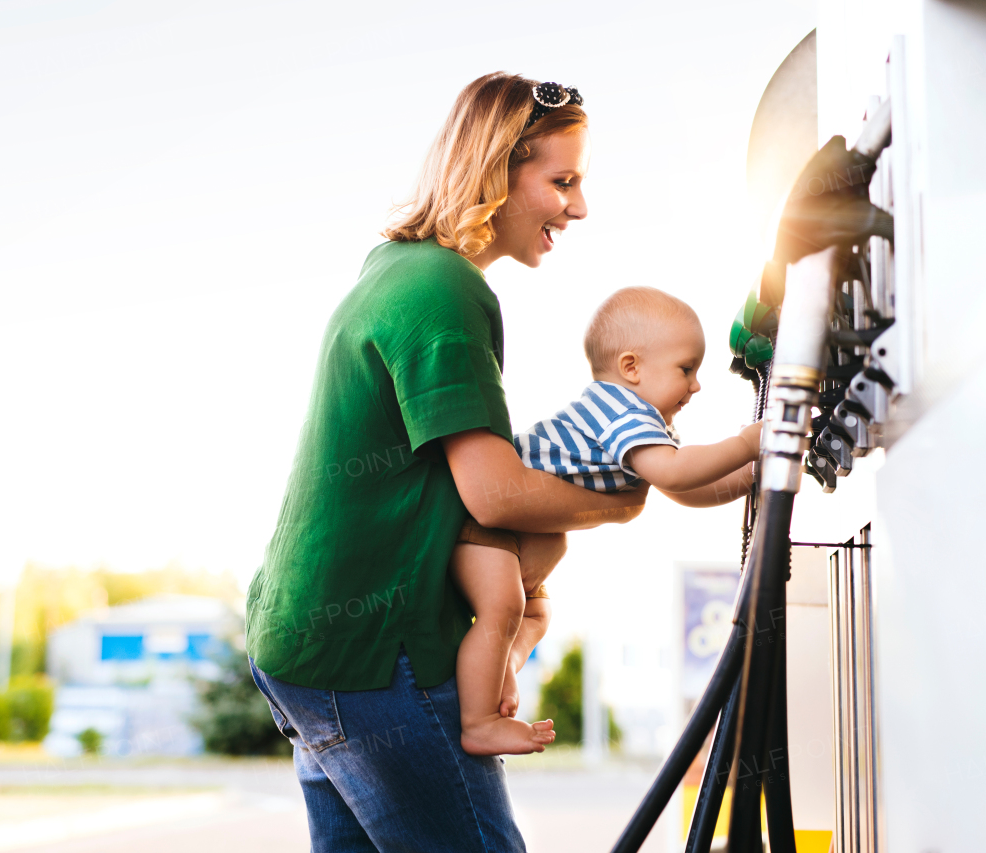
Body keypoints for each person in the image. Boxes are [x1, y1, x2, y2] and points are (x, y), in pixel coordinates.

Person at [243, 73, 653, 853]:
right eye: (561, 181)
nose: (579, 206)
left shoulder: (393, 269)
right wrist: (620, 500)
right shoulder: (444, 287)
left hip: (305, 642)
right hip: (372, 654)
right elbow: (494, 492)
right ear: (497, 169)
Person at [452, 286, 761, 756]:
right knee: (504, 610)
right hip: (487, 528)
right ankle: (478, 722)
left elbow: (682, 488)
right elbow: (675, 472)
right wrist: (745, 444)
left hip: (517, 538)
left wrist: (753, 475)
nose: (696, 385)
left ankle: (501, 675)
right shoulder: (620, 410)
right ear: (631, 367)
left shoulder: (642, 418)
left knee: (534, 614)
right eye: (686, 369)